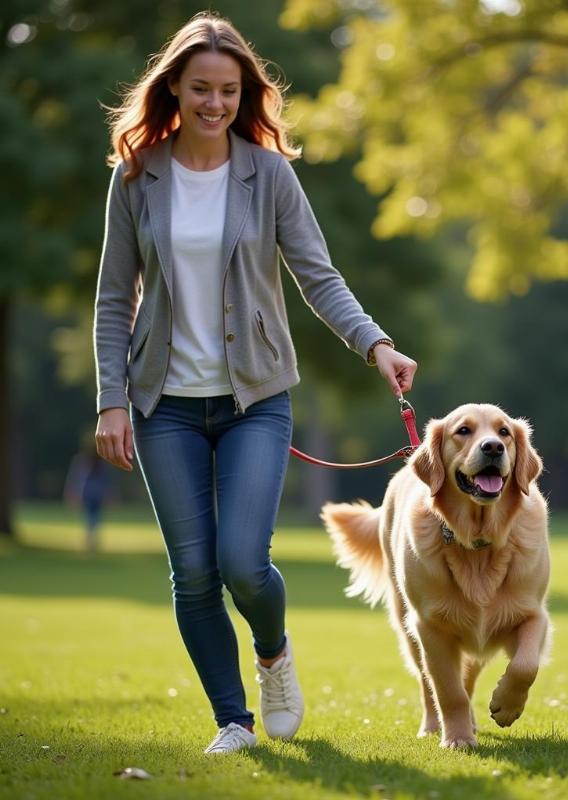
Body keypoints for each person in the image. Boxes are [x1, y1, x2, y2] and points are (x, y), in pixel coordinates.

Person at [93, 12, 416, 755]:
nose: (213, 103)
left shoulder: (267, 173)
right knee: (193, 573)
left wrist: (376, 344)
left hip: (255, 401)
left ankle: (273, 653)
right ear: (173, 86)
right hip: (161, 406)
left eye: (228, 91)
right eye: (200, 88)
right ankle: (232, 721)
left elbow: (316, 274)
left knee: (243, 561)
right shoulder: (136, 176)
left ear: (246, 94)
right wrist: (111, 398)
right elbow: (114, 298)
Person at [64, 445, 113, 553]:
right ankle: (91, 540)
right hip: (92, 495)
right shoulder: (85, 463)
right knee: (93, 518)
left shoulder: (97, 465)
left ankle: (91, 540)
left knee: (92, 518)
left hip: (92, 495)